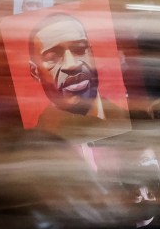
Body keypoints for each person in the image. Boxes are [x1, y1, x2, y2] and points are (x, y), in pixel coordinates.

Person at [28, 12, 130, 142]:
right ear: (35, 72)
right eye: (52, 57)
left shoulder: (125, 117)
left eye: (80, 50)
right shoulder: (40, 142)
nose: (71, 65)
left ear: (91, 54)